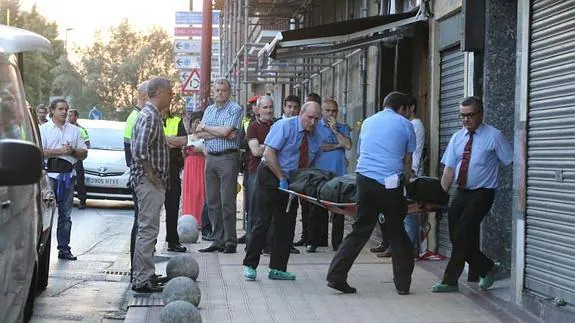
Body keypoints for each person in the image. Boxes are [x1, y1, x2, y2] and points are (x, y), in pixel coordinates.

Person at [327, 92, 415, 295]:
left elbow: (361, 150)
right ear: (401, 108)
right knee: (397, 232)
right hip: (390, 184)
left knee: (360, 230)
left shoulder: (367, 122)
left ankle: (336, 276)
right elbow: (408, 161)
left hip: (364, 180)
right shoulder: (405, 124)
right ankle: (402, 284)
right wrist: (407, 186)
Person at [431, 96, 513, 293]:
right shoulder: (457, 137)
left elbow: (511, 161)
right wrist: (440, 198)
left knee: (461, 234)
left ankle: (450, 281)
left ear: (481, 114)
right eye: (462, 116)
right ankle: (487, 268)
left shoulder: (494, 136)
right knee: (455, 236)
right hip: (461, 192)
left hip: (482, 193)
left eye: (470, 115)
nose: (466, 119)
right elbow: (449, 170)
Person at [242, 101, 323, 281]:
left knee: (286, 224)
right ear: (301, 113)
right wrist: (281, 178)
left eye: (317, 119)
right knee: (262, 221)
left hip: (292, 181)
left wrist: (302, 181)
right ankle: (250, 264)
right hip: (271, 174)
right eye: (310, 117)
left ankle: (278, 268)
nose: (312, 122)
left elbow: (312, 161)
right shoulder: (285, 126)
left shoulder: (316, 136)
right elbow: (269, 153)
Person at [130, 76, 172, 293]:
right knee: (147, 230)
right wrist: (152, 175)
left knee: (149, 229)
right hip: (148, 182)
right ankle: (141, 279)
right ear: (160, 93)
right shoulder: (150, 116)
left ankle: (146, 274)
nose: (172, 96)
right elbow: (139, 150)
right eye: (170, 91)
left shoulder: (152, 115)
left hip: (151, 182)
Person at [197, 78, 243, 254]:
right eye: (217, 90)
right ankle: (218, 240)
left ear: (229, 92)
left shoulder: (235, 109)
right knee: (212, 201)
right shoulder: (209, 109)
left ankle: (230, 241)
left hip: (228, 158)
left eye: (223, 90)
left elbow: (226, 132)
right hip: (210, 159)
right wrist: (220, 132)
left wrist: (208, 128)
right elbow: (199, 133)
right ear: (213, 92)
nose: (220, 93)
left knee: (227, 202)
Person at [40, 99, 88, 261]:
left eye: (66, 109)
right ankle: (42, 247)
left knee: (65, 215)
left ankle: (64, 248)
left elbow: (84, 152)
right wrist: (60, 151)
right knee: (46, 213)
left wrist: (73, 151)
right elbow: (40, 152)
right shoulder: (44, 130)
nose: (64, 112)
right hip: (49, 177)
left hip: (68, 176)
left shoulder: (74, 131)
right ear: (51, 110)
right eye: (60, 109)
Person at [307, 98, 352, 253]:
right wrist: (337, 145)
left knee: (339, 210)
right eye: (327, 110)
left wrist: (335, 131)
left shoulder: (342, 128)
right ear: (322, 111)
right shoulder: (315, 127)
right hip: (320, 174)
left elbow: (348, 144)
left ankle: (337, 243)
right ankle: (314, 241)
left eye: (334, 111)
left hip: (339, 174)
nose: (331, 114)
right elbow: (319, 147)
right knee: (317, 208)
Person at [244, 95, 274, 244]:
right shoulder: (253, 127)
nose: (268, 110)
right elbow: (256, 151)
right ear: (258, 109)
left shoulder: (277, 125)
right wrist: (273, 148)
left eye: (270, 107)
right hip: (256, 172)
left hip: (273, 171)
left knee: (271, 210)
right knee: (254, 210)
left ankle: (268, 244)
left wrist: (265, 147)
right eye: (265, 107)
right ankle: (252, 244)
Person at [127, 81, 148, 282]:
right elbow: (131, 154)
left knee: (141, 224)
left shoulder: (140, 115)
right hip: (141, 179)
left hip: (141, 178)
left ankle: (139, 268)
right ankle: (137, 269)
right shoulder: (136, 117)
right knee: (140, 225)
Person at [162, 112, 188, 252]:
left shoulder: (177, 121)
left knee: (172, 206)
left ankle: (173, 241)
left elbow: (184, 141)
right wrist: (173, 142)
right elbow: (151, 141)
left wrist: (164, 139)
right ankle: (151, 243)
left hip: (172, 167)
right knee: (153, 209)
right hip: (157, 166)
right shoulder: (151, 118)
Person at [182, 111, 206, 229]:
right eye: (193, 122)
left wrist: (198, 150)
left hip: (202, 165)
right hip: (189, 166)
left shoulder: (206, 138)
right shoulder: (187, 138)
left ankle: (201, 220)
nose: (195, 125)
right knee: (189, 192)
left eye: (198, 122)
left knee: (201, 191)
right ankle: (189, 219)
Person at [67, 109, 90, 209]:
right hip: (67, 157)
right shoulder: (65, 128)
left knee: (79, 179)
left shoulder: (81, 129)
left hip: (77, 157)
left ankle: (82, 200)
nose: (69, 118)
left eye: (71, 116)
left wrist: (76, 149)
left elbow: (87, 144)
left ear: (76, 117)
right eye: (69, 116)